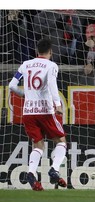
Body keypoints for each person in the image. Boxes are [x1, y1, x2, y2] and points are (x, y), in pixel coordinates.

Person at [8, 38, 68, 191]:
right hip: (45, 111)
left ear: (36, 51)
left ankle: (31, 173)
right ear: (51, 52)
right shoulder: (51, 65)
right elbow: (52, 85)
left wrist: (24, 94)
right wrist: (58, 105)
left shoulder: (25, 64)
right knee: (61, 141)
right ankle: (54, 169)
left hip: (28, 112)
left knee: (38, 145)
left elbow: (12, 85)